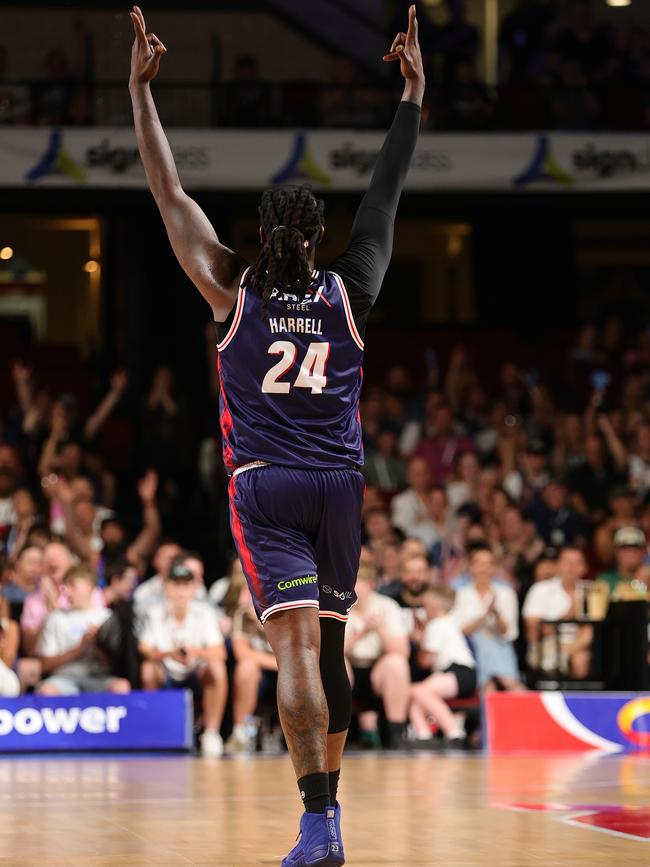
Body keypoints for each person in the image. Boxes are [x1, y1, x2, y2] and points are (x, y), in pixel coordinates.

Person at [128, 4, 423, 862]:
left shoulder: (230, 285)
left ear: (260, 236)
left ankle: (316, 819)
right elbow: (386, 192)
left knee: (291, 646)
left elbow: (167, 193)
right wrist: (411, 96)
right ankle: (330, 821)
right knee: (329, 645)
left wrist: (142, 94)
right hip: (339, 485)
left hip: (266, 483)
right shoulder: (351, 288)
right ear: (319, 239)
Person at [139, 555, 228, 758]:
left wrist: (195, 652)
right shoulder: (154, 612)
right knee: (147, 669)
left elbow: (219, 652)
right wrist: (169, 654)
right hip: (167, 670)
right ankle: (154, 731)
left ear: (194, 588)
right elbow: (143, 648)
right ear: (167, 587)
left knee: (217, 668)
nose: (181, 591)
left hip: (195, 671)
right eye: (176, 585)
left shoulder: (205, 612)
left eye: (185, 585)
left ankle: (211, 733)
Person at [36, 564, 130, 696]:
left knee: (122, 687)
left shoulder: (107, 617)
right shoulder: (55, 618)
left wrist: (97, 645)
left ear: (89, 587)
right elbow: (44, 665)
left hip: (99, 679)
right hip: (64, 679)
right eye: (65, 587)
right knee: (47, 691)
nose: (67, 592)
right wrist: (78, 650)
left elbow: (118, 665)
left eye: (73, 586)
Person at [345, 565, 410, 749]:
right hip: (349, 667)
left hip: (377, 670)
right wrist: (361, 632)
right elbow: (329, 651)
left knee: (396, 663)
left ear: (370, 585)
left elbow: (402, 650)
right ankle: (332, 734)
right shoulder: (336, 604)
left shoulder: (387, 606)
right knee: (334, 664)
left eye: (355, 581)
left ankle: (396, 735)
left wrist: (378, 628)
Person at [409, 585, 477, 748]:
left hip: (458, 672)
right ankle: (423, 735)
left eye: (425, 605)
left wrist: (419, 640)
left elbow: (424, 661)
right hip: (462, 675)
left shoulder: (437, 625)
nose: (424, 610)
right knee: (417, 699)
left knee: (418, 690)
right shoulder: (449, 623)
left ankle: (454, 732)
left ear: (435, 606)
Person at [452, 545, 523, 691]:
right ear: (470, 567)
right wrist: (484, 616)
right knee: (483, 643)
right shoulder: (460, 594)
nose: (483, 568)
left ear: (494, 567)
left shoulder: (506, 593)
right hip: (470, 649)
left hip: (500, 646)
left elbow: (509, 633)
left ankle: (509, 684)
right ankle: (500, 683)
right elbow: (459, 631)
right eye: (479, 563)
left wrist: (496, 614)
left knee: (494, 646)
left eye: (488, 564)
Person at [522, 545, 592, 677]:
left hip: (582, 645)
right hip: (548, 645)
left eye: (577, 562)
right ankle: (565, 654)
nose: (571, 567)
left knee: (581, 657)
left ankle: (566, 653)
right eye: (566, 562)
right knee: (574, 657)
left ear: (585, 567)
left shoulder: (592, 590)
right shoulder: (540, 589)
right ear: (557, 565)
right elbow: (533, 632)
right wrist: (570, 615)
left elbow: (594, 630)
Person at [226, 585, 278, 754]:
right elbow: (242, 653)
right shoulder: (242, 614)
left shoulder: (284, 608)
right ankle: (240, 732)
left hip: (289, 673)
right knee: (246, 667)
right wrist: (279, 663)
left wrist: (263, 624)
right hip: (267, 672)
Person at [596, 526, 648, 600]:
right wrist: (638, 582)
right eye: (625, 548)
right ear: (616, 552)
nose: (631, 553)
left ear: (643, 552)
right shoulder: (605, 580)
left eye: (636, 548)